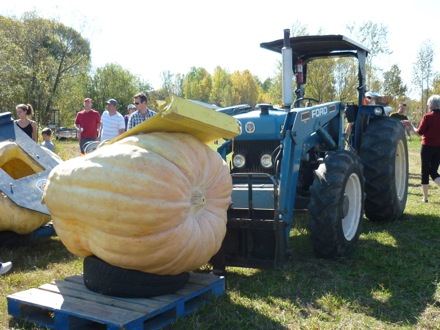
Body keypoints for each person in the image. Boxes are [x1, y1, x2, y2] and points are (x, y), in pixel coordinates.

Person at [408, 94, 440, 202]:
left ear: (431, 105)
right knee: (434, 172)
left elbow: (419, 133)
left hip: (427, 147)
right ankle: (425, 197)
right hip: (439, 148)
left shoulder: (427, 117)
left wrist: (410, 125)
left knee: (425, 172)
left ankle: (425, 198)